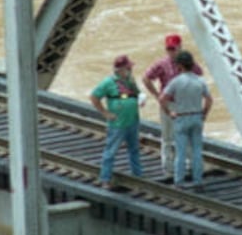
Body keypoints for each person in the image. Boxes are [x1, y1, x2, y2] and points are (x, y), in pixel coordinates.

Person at [143, 33, 202, 179]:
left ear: (180, 47)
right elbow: (146, 78)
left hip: (185, 104)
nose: (171, 52)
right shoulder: (162, 64)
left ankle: (189, 165)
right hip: (168, 103)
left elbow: (199, 75)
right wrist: (157, 95)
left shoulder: (189, 63)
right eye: (168, 49)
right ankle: (167, 166)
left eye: (173, 49)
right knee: (168, 136)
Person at [159, 50, 212, 189]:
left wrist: (169, 112)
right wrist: (204, 113)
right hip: (196, 116)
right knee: (197, 151)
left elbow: (162, 98)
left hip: (181, 117)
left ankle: (179, 181)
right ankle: (198, 180)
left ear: (180, 66)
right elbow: (209, 99)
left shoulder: (176, 81)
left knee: (181, 152)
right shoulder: (200, 81)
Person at [90, 54, 143, 187]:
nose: (130, 70)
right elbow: (94, 97)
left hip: (132, 121)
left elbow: (137, 93)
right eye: (128, 67)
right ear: (120, 69)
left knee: (134, 149)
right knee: (111, 151)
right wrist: (105, 113)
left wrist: (141, 99)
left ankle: (138, 175)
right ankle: (105, 178)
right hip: (118, 124)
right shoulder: (108, 82)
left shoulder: (131, 80)